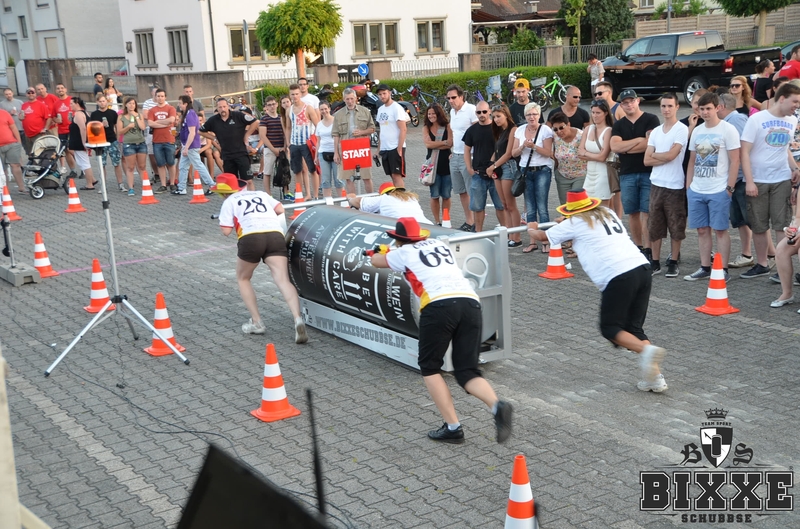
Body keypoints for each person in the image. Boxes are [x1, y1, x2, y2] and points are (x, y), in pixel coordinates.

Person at [368, 217, 513, 443]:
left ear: (399, 239)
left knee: (430, 367)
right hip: (470, 303)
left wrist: (376, 252)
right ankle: (497, 406)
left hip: (438, 306)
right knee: (466, 370)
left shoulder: (402, 253)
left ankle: (453, 428)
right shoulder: (437, 245)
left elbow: (376, 261)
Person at [527, 189, 668, 392]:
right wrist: (564, 222)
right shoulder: (607, 213)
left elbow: (542, 236)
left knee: (610, 328)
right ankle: (655, 378)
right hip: (641, 268)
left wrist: (531, 228)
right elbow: (583, 227)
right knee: (634, 328)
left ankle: (647, 351)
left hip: (618, 275)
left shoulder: (574, 223)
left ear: (571, 211)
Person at [213, 173, 308, 343]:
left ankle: (257, 322)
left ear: (223, 193)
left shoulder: (229, 202)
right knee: (283, 280)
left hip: (251, 238)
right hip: (275, 235)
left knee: (243, 278)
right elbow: (280, 209)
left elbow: (226, 231)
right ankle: (297, 318)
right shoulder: (260, 194)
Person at [740, 82, 800, 282]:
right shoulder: (757, 119)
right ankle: (762, 264)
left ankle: (782, 268)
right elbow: (744, 152)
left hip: (781, 178)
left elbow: (785, 148)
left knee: (781, 225)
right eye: (794, 101)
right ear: (782, 98)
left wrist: (794, 168)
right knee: (759, 225)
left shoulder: (792, 120)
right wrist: (749, 181)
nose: (797, 106)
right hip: (758, 179)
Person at [684, 91, 740, 281]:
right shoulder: (697, 131)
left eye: (708, 108)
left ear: (718, 108)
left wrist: (729, 188)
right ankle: (705, 267)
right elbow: (692, 161)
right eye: (702, 109)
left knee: (720, 230)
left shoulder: (728, 129)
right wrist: (689, 187)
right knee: (701, 230)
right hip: (697, 189)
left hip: (719, 189)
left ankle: (723, 269)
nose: (705, 112)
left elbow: (735, 160)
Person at [610, 89, 661, 262]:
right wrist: (639, 140)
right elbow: (615, 147)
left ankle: (648, 248)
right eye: (625, 102)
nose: (629, 104)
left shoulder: (651, 119)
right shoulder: (618, 125)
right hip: (627, 173)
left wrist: (626, 148)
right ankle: (638, 247)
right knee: (632, 212)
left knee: (647, 212)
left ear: (638, 101)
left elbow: (650, 144)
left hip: (648, 172)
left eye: (631, 101)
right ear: (621, 105)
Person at [643, 93, 689, 278]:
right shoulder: (655, 131)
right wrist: (662, 156)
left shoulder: (681, 129)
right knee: (655, 225)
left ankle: (673, 261)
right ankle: (655, 262)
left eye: (670, 106)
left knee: (676, 225)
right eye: (663, 106)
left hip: (675, 185)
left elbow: (672, 156)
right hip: (656, 184)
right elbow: (646, 160)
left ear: (677, 107)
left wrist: (656, 155)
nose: (666, 109)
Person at [717, 93, 757, 270]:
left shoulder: (736, 120)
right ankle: (747, 254)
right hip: (735, 178)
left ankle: (770, 256)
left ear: (721, 107)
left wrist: (744, 178)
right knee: (740, 220)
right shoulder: (730, 121)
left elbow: (743, 150)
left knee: (753, 221)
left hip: (741, 178)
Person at [512, 102, 554, 253]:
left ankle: (546, 241)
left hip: (542, 170)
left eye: (534, 114)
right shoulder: (520, 130)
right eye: (529, 114)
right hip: (525, 171)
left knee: (542, 206)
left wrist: (534, 147)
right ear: (525, 116)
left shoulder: (545, 130)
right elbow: (513, 153)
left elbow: (549, 153)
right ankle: (532, 241)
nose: (532, 117)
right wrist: (523, 146)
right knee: (530, 208)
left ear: (539, 115)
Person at [200, 97, 260, 190]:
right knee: (231, 183)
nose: (222, 109)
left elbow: (255, 122)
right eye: (220, 107)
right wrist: (214, 138)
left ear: (228, 106)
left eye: (224, 106)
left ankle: (252, 197)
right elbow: (200, 131)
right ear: (217, 108)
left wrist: (247, 135)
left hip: (241, 154)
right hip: (227, 156)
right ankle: (235, 198)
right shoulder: (213, 120)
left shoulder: (238, 115)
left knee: (248, 181)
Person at [463, 100, 505, 232]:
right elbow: (466, 149)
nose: (481, 114)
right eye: (479, 112)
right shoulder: (472, 130)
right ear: (475, 113)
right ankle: (478, 233)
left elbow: (502, 149)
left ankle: (506, 233)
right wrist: (469, 168)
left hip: (496, 173)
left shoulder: (497, 128)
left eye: (484, 111)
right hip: (478, 174)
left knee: (501, 205)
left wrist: (494, 166)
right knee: (477, 207)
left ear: (490, 111)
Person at [332, 87, 376, 194]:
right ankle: (353, 201)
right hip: (346, 149)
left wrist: (361, 132)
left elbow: (372, 129)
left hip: (362, 148)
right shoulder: (338, 115)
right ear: (344, 99)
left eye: (352, 98)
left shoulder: (365, 111)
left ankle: (371, 199)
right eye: (347, 99)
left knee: (366, 176)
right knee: (348, 178)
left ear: (356, 98)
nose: (350, 101)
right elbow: (336, 134)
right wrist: (336, 153)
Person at [489, 104, 521, 247]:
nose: (496, 119)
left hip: (508, 167)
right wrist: (490, 165)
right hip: (498, 168)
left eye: (498, 116)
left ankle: (516, 237)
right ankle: (509, 234)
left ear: (506, 115)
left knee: (510, 204)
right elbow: (497, 151)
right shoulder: (499, 131)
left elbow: (508, 154)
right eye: (494, 117)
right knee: (504, 204)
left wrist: (493, 166)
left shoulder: (513, 129)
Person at [447, 84, 478, 232]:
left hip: (469, 156)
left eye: (453, 97)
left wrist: (475, 155)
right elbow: (455, 133)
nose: (451, 101)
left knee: (472, 190)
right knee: (461, 191)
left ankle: (478, 223)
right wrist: (452, 151)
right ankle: (469, 221)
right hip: (456, 155)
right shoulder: (452, 112)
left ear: (461, 96)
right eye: (448, 98)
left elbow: (478, 131)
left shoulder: (471, 109)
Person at [173, 95, 215, 196]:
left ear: (185, 104)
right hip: (187, 145)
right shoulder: (187, 114)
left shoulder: (190, 115)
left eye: (180, 103)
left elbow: (192, 132)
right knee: (183, 166)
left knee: (198, 165)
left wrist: (186, 147)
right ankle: (181, 188)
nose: (179, 105)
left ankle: (212, 185)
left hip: (191, 146)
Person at [284, 83, 319, 198]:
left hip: (307, 143)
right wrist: (288, 143)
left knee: (312, 170)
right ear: (290, 95)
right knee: (297, 171)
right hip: (294, 144)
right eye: (292, 94)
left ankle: (315, 196)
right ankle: (299, 195)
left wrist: (315, 141)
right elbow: (288, 127)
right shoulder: (289, 110)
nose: (295, 96)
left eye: (296, 94)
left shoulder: (308, 108)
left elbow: (317, 125)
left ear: (300, 94)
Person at [421, 103, 452, 225]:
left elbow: (450, 143)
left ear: (439, 114)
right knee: (434, 195)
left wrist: (437, 144)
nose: (431, 116)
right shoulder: (426, 128)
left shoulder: (447, 126)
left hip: (446, 165)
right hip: (432, 166)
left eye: (433, 113)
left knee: (446, 195)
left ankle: (445, 219)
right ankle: (437, 221)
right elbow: (428, 144)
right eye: (429, 114)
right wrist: (444, 143)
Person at [578, 99, 613, 207]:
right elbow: (579, 153)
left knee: (603, 208)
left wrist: (586, 153)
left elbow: (603, 157)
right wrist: (595, 156)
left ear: (605, 113)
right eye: (593, 112)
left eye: (598, 113)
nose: (595, 115)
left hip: (603, 174)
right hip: (589, 173)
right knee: (587, 207)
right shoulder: (588, 129)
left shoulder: (608, 131)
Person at [349, 182, 433, 224]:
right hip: (428, 225)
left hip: (406, 228)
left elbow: (358, 202)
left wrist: (350, 198)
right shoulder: (411, 198)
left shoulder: (384, 198)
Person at [376, 83, 409, 188]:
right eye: (380, 94)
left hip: (395, 146)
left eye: (384, 93)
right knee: (391, 175)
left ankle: (401, 197)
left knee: (396, 175)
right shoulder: (380, 109)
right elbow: (382, 131)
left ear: (389, 93)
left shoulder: (396, 108)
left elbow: (403, 129)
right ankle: (396, 196)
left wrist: (399, 148)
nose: (382, 96)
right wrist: (378, 150)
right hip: (385, 148)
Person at [90, 94, 125, 192]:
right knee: (102, 164)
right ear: (97, 102)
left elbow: (117, 126)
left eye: (103, 101)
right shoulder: (94, 114)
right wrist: (101, 125)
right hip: (100, 142)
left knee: (116, 163)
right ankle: (103, 185)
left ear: (107, 102)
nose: (102, 103)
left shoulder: (113, 113)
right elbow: (92, 128)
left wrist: (117, 139)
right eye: (100, 101)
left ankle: (120, 184)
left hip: (112, 140)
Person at [550, 112, 587, 206]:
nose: (559, 131)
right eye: (555, 129)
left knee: (577, 204)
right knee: (565, 206)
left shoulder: (581, 136)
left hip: (580, 175)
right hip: (562, 175)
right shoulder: (555, 136)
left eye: (561, 127)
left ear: (568, 124)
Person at [146, 88, 177, 193]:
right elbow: (150, 123)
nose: (160, 98)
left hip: (169, 139)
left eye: (162, 96)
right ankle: (163, 185)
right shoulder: (152, 110)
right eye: (158, 96)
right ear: (155, 97)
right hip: (157, 141)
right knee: (160, 164)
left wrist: (157, 122)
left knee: (171, 162)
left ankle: (172, 183)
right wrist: (164, 123)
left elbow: (171, 120)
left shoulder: (170, 108)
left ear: (165, 97)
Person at [116, 96, 147, 196]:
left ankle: (145, 186)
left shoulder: (139, 115)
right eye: (129, 103)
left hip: (140, 143)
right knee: (130, 167)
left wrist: (136, 117)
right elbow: (119, 131)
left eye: (133, 103)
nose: (131, 105)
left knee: (142, 166)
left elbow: (143, 127)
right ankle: (131, 188)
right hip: (128, 144)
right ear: (126, 105)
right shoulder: (121, 117)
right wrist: (128, 126)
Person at [258, 96, 286, 194]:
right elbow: (263, 136)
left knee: (285, 170)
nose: (272, 106)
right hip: (270, 149)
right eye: (269, 105)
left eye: (273, 104)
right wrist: (273, 149)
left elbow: (286, 133)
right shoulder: (264, 119)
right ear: (266, 107)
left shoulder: (281, 117)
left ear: (277, 104)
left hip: (282, 148)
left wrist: (285, 147)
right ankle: (268, 194)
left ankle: (286, 192)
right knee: (267, 172)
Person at [314, 101, 342, 198]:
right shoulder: (319, 124)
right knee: (325, 180)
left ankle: (342, 201)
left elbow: (340, 138)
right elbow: (318, 141)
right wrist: (316, 156)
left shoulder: (336, 121)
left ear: (329, 109)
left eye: (325, 109)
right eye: (321, 109)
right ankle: (328, 201)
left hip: (336, 153)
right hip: (323, 153)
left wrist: (338, 152)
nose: (324, 111)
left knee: (338, 179)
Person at [68, 97, 96, 190]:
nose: (70, 105)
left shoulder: (79, 114)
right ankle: (92, 179)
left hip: (80, 142)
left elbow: (83, 128)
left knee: (84, 163)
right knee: (83, 162)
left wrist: (84, 142)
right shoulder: (85, 113)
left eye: (71, 103)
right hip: (80, 141)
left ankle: (89, 184)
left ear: (77, 103)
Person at [53, 83, 76, 176]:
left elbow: (80, 111)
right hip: (62, 131)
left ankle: (83, 168)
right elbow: (53, 116)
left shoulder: (72, 100)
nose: (60, 90)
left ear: (66, 89)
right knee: (66, 151)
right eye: (58, 88)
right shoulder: (56, 103)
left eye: (62, 88)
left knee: (72, 150)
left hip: (72, 129)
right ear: (56, 91)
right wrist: (56, 120)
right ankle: (73, 170)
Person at [0, 108, 24, 194]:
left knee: (15, 165)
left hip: (11, 144)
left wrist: (19, 142)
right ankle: (5, 190)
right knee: (2, 169)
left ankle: (21, 187)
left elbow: (13, 127)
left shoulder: (4, 113)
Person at [0, 88, 25, 153]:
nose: (9, 95)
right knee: (16, 149)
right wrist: (10, 113)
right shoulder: (2, 104)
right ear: (4, 95)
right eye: (6, 94)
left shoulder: (20, 102)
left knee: (26, 147)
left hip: (21, 127)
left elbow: (24, 112)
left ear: (12, 93)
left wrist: (22, 114)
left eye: (10, 94)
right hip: (11, 130)